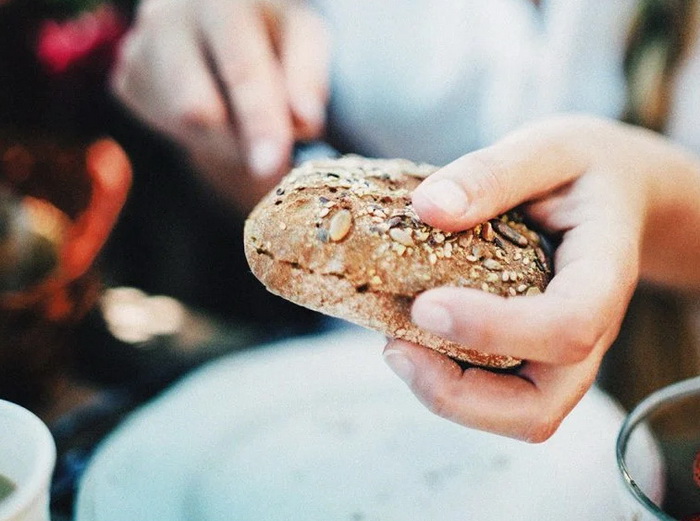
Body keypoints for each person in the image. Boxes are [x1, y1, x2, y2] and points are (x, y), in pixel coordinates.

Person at [110, 0, 700, 442]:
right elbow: (274, 209)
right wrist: (221, 111)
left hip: (662, 419)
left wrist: (658, 204)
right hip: (325, 400)